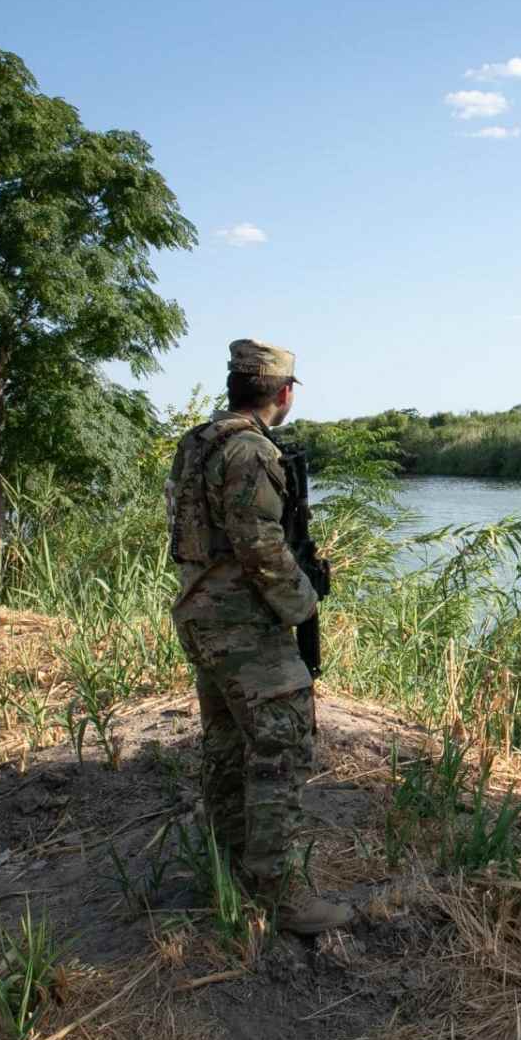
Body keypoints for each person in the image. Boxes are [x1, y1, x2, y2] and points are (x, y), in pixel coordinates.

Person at [164, 340, 352, 936]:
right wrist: (303, 605)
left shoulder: (198, 442)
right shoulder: (249, 451)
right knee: (281, 747)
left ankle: (230, 863)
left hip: (203, 613)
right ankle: (280, 892)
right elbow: (260, 544)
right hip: (243, 626)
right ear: (284, 393)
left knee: (227, 744)